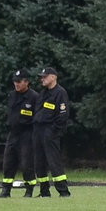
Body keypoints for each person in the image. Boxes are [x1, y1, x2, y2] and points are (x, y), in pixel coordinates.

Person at [0, 69, 38, 198]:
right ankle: (6, 190)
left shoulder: (34, 97)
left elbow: (37, 117)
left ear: (27, 82)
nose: (16, 84)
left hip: (27, 134)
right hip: (13, 133)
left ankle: (29, 190)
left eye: (19, 81)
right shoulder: (12, 95)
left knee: (26, 163)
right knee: (8, 162)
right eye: (15, 81)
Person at [33, 67, 71, 197]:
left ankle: (63, 191)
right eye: (41, 77)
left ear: (53, 77)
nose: (42, 79)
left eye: (45, 76)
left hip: (50, 130)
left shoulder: (60, 92)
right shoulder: (43, 93)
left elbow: (63, 114)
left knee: (53, 161)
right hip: (38, 130)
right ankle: (44, 191)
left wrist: (54, 130)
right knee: (39, 162)